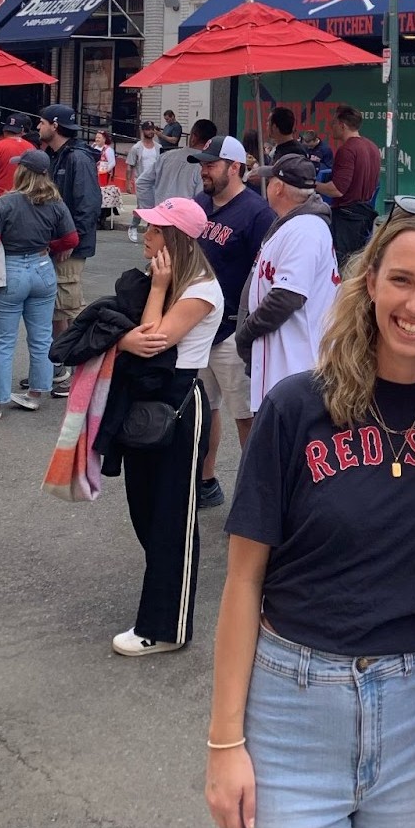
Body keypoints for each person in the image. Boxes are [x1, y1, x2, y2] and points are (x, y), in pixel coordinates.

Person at [205, 197, 415, 828]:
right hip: (290, 706)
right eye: (401, 280)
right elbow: (244, 580)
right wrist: (224, 744)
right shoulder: (297, 406)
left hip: (413, 706)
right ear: (370, 280)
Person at [111, 197, 222, 655]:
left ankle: (163, 626)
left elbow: (150, 341)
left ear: (172, 239)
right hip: (147, 401)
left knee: (171, 517)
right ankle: (162, 599)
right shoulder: (176, 280)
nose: (145, 235)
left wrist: (156, 291)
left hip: (178, 401)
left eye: (154, 230)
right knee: (143, 505)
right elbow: (128, 338)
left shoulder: (199, 289)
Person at [189, 135, 277, 507]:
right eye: (203, 164)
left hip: (232, 330)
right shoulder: (199, 204)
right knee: (203, 409)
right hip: (195, 325)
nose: (204, 170)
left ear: (235, 167)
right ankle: (205, 482)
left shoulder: (258, 213)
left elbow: (268, 273)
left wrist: (252, 326)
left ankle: (254, 498)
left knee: (246, 415)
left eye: (211, 164)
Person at [0, 150, 78, 420]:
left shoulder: (5, 203)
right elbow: (71, 240)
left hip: (11, 270)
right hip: (43, 269)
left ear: (22, 172)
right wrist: (47, 247)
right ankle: (35, 393)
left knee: (3, 342)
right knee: (42, 336)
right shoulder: (56, 202)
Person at [235, 154, 339, 415]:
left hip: (295, 367)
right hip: (283, 367)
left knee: (287, 450)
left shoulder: (305, 229)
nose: (267, 185)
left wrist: (246, 333)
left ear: (278, 187)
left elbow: (287, 297)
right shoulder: (293, 225)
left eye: (270, 180)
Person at [40, 105, 102, 394]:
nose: (38, 127)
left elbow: (88, 204)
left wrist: (70, 239)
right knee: (59, 308)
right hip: (59, 243)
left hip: (70, 245)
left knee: (68, 306)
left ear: (54, 125)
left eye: (41, 122)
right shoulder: (60, 155)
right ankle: (57, 367)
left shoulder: (77, 157)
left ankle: (79, 368)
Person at [315, 105, 382, 268]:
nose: (331, 127)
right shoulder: (373, 147)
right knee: (356, 266)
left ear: (342, 125)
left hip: (347, 218)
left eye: (333, 123)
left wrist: (311, 184)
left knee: (342, 266)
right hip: (365, 214)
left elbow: (337, 189)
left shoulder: (347, 150)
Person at [149, 119, 217, 205]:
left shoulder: (165, 157)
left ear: (193, 137)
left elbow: (143, 183)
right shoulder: (207, 167)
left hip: (160, 214)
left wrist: (151, 209)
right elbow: (203, 200)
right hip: (187, 216)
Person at [126, 121, 162, 217]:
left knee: (155, 206)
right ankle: (133, 226)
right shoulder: (136, 148)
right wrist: (128, 182)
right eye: (148, 129)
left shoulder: (159, 147)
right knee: (141, 205)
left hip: (156, 181)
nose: (150, 132)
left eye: (152, 129)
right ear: (143, 131)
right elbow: (130, 165)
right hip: (141, 180)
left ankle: (150, 227)